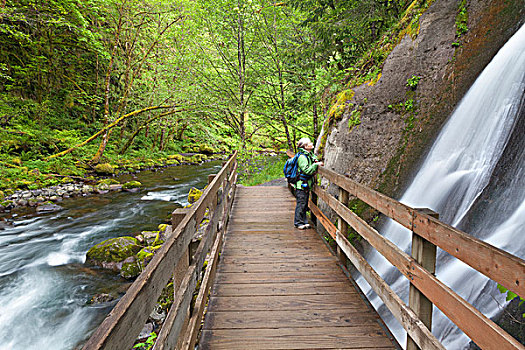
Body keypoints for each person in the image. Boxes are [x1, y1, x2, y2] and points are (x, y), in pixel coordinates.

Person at [293, 138, 323, 229]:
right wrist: (315, 165)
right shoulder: (302, 157)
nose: (311, 144)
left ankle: (304, 221)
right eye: (309, 143)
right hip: (301, 184)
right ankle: (298, 222)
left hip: (305, 184)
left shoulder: (309, 154)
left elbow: (314, 159)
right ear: (305, 146)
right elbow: (307, 171)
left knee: (305, 204)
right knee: (301, 203)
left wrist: (316, 162)